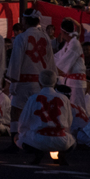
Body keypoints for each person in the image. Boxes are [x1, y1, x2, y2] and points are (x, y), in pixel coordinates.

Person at [5, 9, 56, 153]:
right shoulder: (45, 37)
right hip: (41, 82)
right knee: (38, 112)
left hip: (23, 81)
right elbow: (50, 60)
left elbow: (16, 61)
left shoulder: (22, 38)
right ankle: (37, 141)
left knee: (16, 111)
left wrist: (13, 81)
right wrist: (51, 80)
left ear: (25, 21)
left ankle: (15, 142)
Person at [18, 69, 75, 165]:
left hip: (39, 138)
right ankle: (61, 153)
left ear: (39, 82)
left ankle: (37, 153)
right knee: (72, 141)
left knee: (19, 138)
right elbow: (69, 122)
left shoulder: (33, 98)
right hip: (60, 139)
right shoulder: (64, 99)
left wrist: (23, 132)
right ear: (55, 82)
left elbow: (23, 122)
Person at [55, 18, 90, 113]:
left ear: (64, 32)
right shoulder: (69, 43)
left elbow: (61, 66)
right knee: (71, 110)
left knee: (78, 110)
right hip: (70, 81)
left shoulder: (74, 44)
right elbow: (57, 57)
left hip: (76, 83)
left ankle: (81, 127)